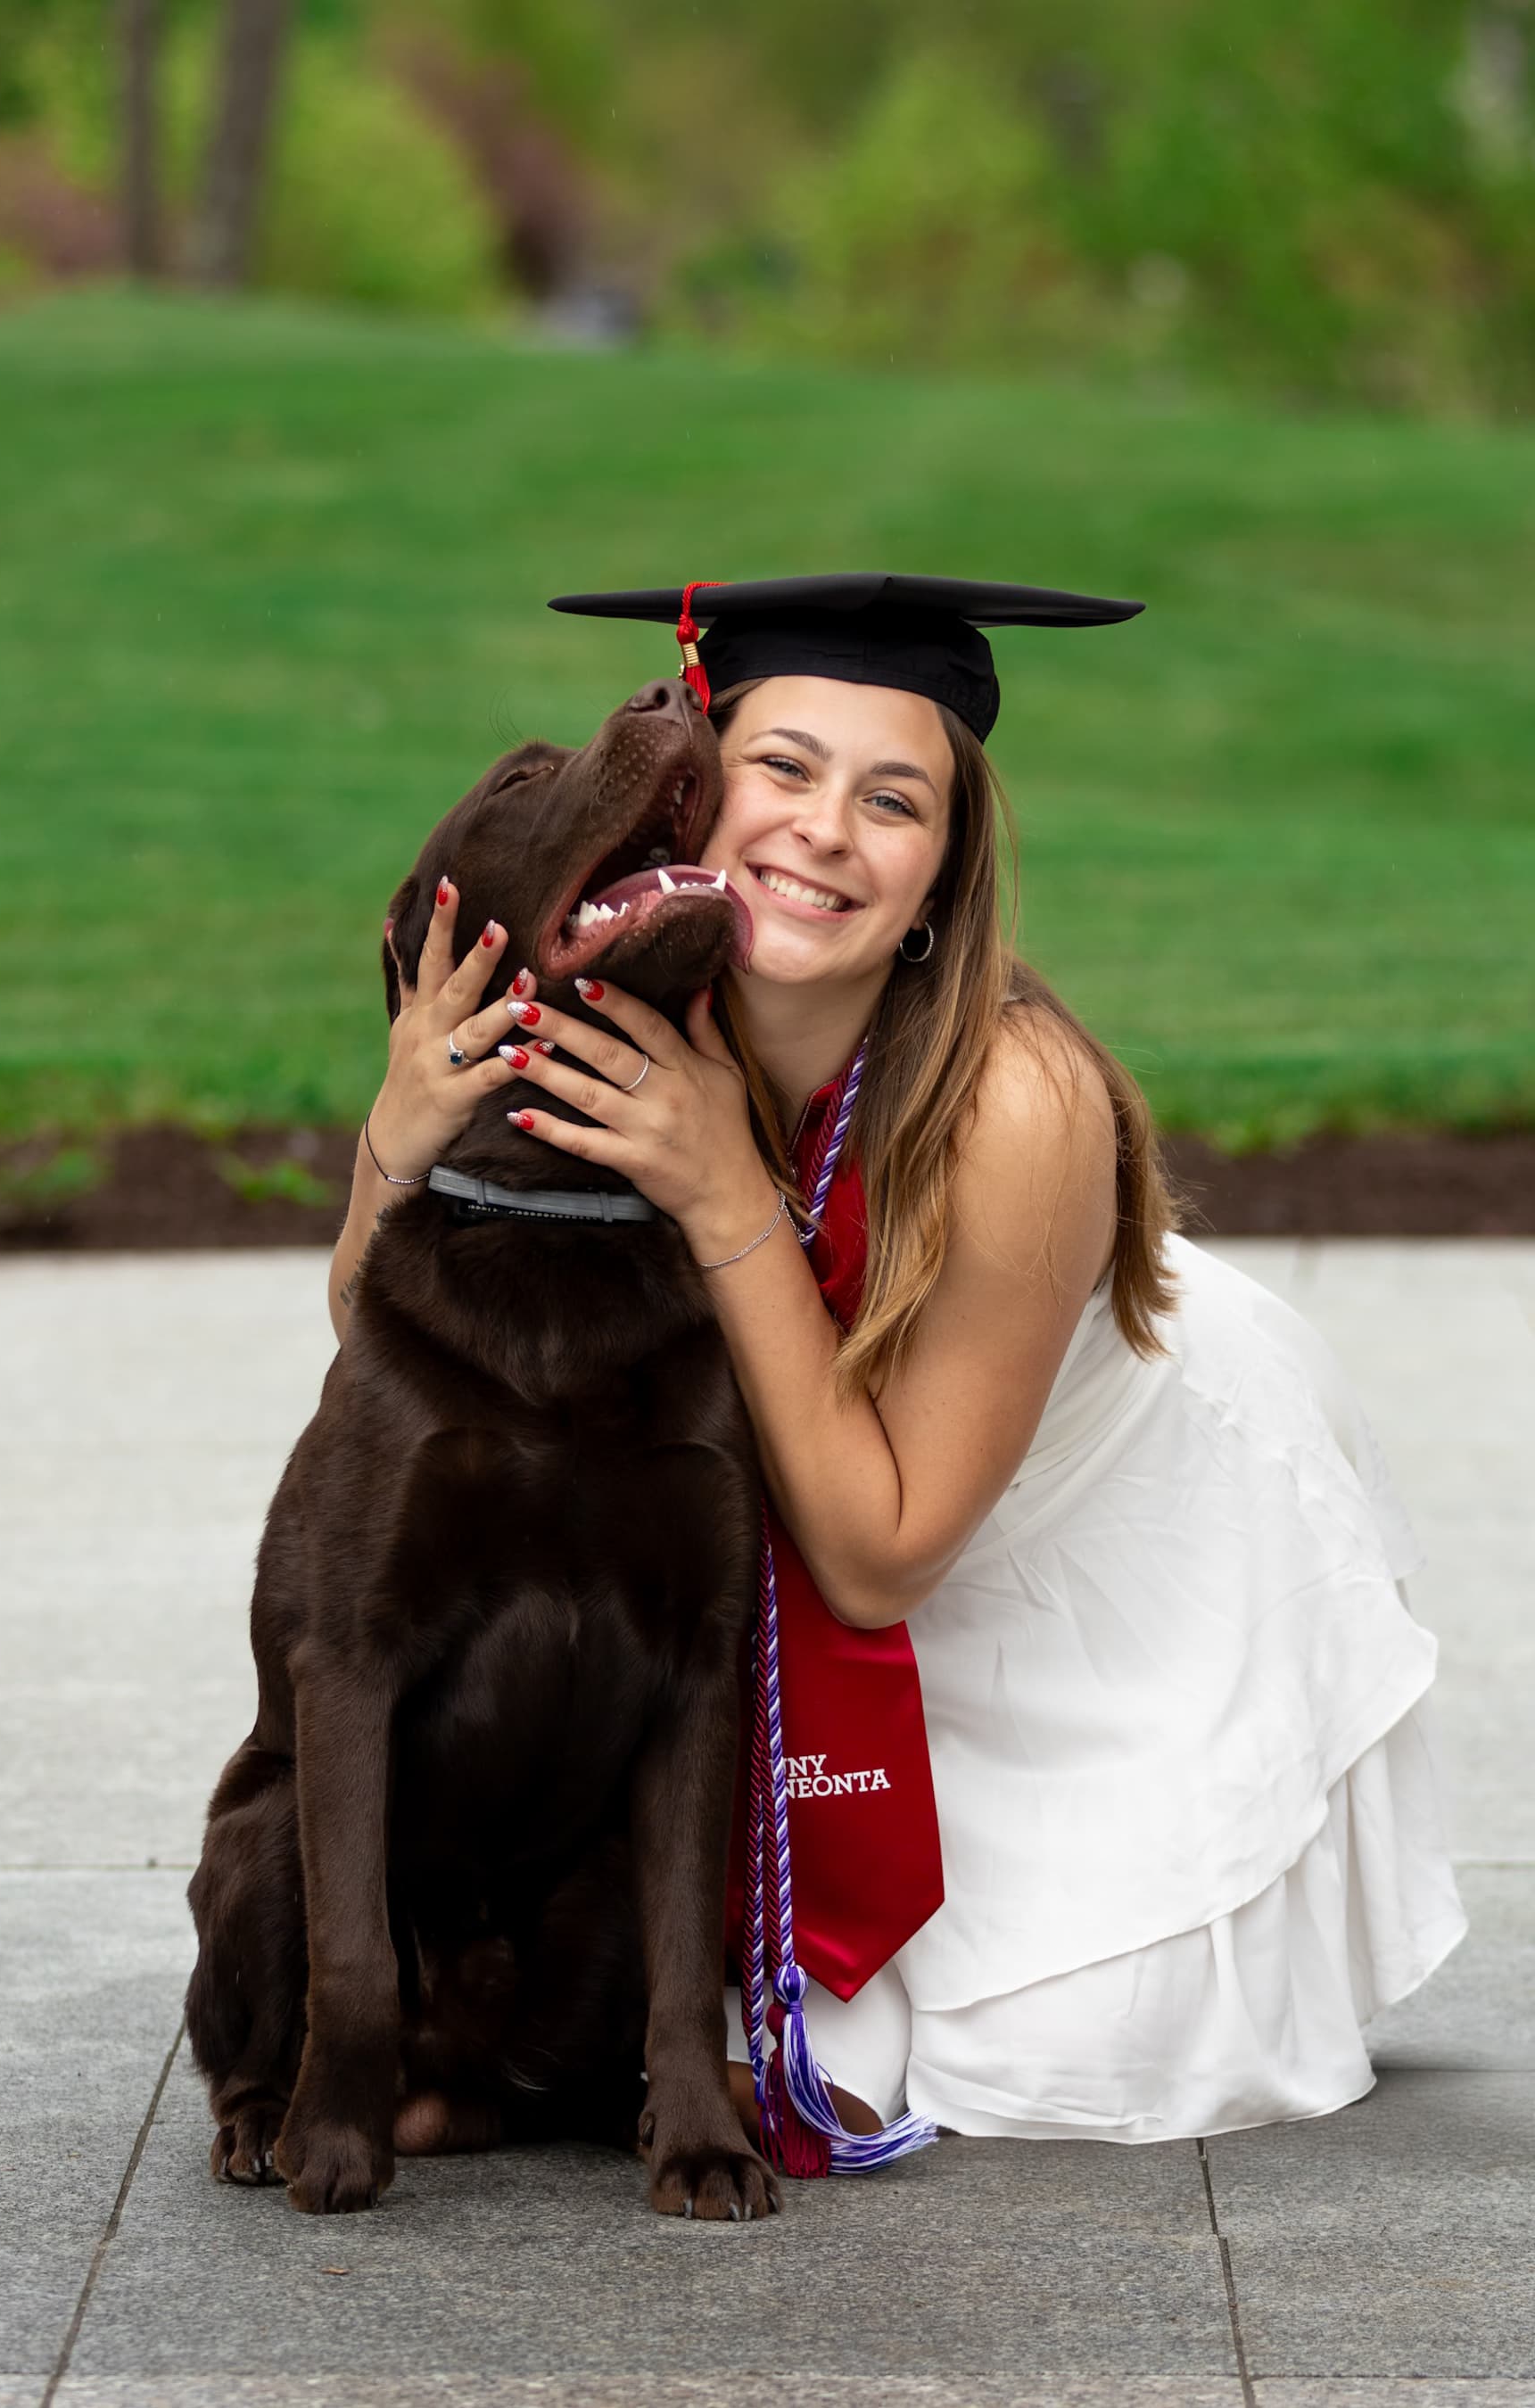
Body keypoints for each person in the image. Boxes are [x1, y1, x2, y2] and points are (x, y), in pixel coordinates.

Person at [328, 573, 1466, 2146]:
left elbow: (879, 1563)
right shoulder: (646, 978)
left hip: (1074, 1553)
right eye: (782, 769)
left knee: (1077, 2052)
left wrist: (726, 1190)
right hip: (790, 1545)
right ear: (694, 796)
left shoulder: (1018, 1101)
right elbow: (387, 1352)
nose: (822, 834)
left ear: (940, 876)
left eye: (894, 801)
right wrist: (400, 1132)